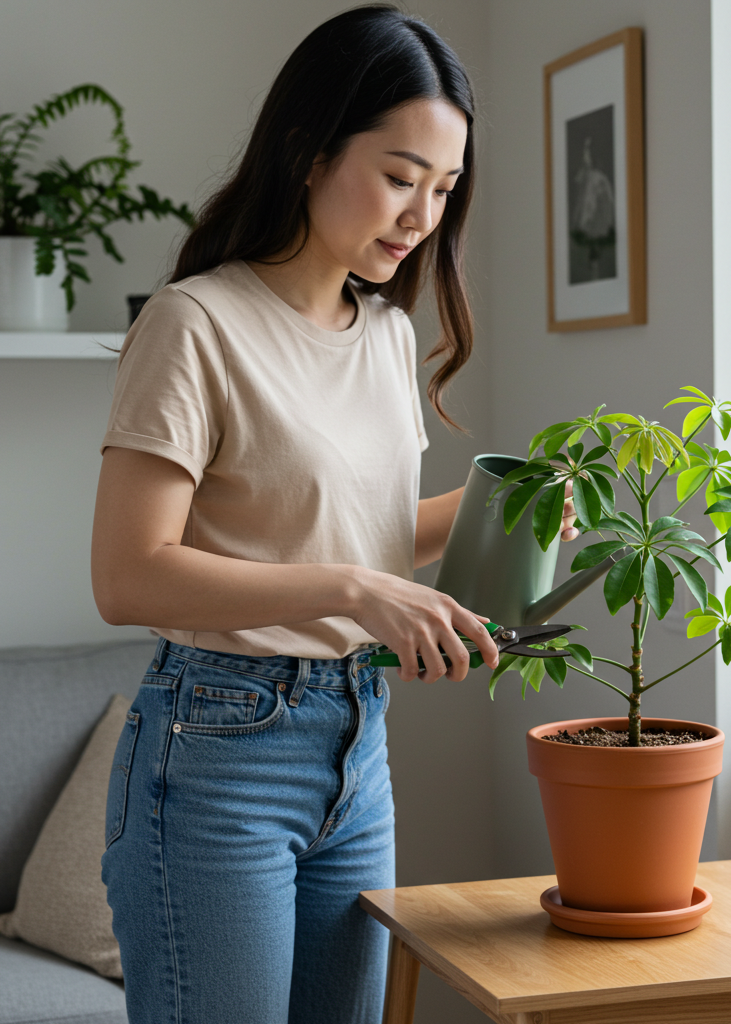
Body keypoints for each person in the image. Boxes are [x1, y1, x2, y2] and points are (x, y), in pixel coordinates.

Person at [91, 7, 575, 1023]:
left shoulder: (386, 335)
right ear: (309, 154)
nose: (422, 215)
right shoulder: (195, 323)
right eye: (401, 177)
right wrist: (360, 590)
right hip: (216, 748)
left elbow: (364, 526)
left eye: (443, 189)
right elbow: (128, 573)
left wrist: (511, 503)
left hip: (356, 746)